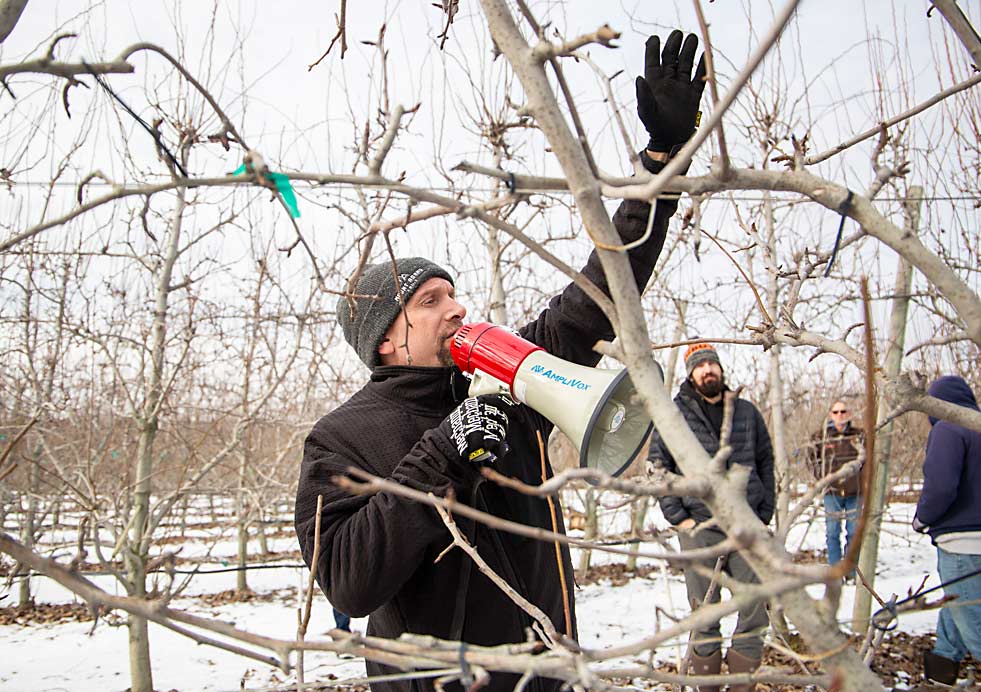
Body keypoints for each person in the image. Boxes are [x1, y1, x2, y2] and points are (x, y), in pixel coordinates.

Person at [294, 30, 707, 692]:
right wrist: (445, 452)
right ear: (385, 339)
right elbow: (347, 576)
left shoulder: (513, 379)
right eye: (430, 299)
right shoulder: (342, 436)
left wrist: (662, 163)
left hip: (548, 671)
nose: (457, 307)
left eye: (455, 292)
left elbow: (603, 287)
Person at [648, 342, 774, 692]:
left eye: (711, 365)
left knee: (755, 608)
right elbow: (658, 467)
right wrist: (679, 518)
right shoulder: (674, 415)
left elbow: (766, 460)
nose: (707, 371)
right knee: (704, 612)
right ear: (690, 374)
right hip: (699, 525)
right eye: (700, 366)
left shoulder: (745, 412)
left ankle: (740, 685)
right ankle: (707, 687)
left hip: (747, 524)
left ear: (720, 370)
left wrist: (764, 513)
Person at [912, 376, 981, 690]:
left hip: (965, 542)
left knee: (975, 619)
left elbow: (940, 486)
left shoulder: (947, 428)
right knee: (957, 605)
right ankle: (941, 673)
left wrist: (922, 518)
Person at [807, 400, 863, 569]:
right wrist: (822, 479)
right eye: (836, 412)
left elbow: (869, 460)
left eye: (843, 411)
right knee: (832, 533)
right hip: (832, 492)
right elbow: (811, 460)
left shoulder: (859, 435)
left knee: (853, 533)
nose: (840, 415)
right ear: (831, 414)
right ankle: (835, 570)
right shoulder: (821, 437)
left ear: (849, 414)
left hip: (855, 492)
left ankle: (852, 570)